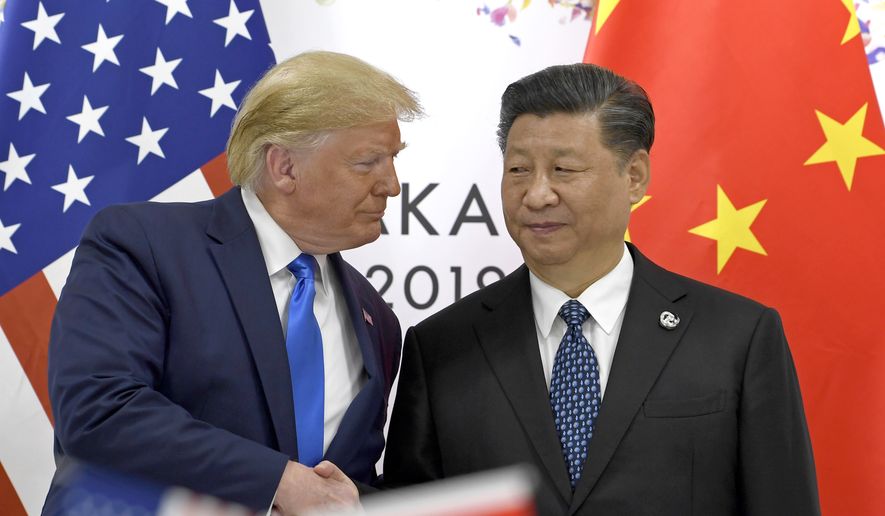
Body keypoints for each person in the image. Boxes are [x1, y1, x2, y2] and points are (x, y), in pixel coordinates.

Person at [383, 63, 820, 515]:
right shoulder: (441, 347)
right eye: (518, 169)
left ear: (634, 177)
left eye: (563, 169)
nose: (536, 194)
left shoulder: (738, 337)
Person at [44, 51, 421, 515]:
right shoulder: (143, 246)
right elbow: (99, 409)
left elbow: (339, 488)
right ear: (284, 167)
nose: (393, 185)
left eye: (393, 160)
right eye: (368, 162)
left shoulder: (377, 319)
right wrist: (277, 482)